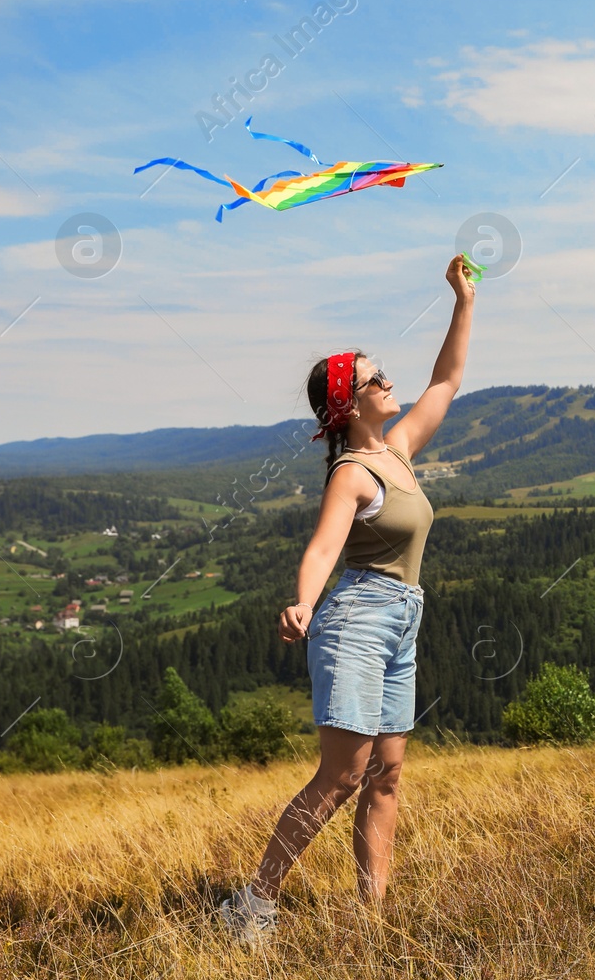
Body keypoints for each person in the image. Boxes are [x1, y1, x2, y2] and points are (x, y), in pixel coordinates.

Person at [219, 255, 476, 946]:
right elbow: (322, 549)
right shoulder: (353, 472)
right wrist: (302, 603)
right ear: (348, 402)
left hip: (402, 620)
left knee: (386, 775)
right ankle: (253, 901)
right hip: (356, 621)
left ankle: (373, 920)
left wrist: (462, 300)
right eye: (374, 377)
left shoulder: (397, 448)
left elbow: (447, 379)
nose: (390, 381)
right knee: (342, 775)